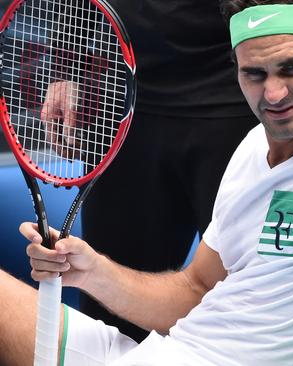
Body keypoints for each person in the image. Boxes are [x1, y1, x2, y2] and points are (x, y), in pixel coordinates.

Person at [0, 1, 293, 365]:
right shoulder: (253, 146)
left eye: (292, 68)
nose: (273, 93)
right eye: (254, 74)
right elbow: (194, 290)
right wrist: (90, 270)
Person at [37, 0, 258, 342]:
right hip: (126, 103)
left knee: (247, 307)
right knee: (108, 319)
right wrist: (66, 69)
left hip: (236, 103)